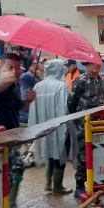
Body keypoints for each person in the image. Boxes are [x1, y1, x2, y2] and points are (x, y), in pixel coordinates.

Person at [0, 53, 37, 208]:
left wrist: (28, 101)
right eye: (9, 67)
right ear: (0, 67)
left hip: (10, 137)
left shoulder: (15, 85)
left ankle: (9, 205)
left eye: (18, 68)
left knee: (17, 168)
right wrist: (12, 76)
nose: (15, 71)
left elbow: (17, 107)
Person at [29, 60, 73, 194]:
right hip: (58, 126)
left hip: (42, 125)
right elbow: (63, 108)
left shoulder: (37, 86)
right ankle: (58, 186)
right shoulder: (61, 86)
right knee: (59, 153)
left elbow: (33, 108)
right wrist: (64, 128)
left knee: (49, 152)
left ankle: (48, 183)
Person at [68, 61, 104, 198]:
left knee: (99, 153)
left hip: (100, 125)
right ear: (86, 65)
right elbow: (71, 102)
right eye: (92, 63)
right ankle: (79, 186)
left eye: (98, 63)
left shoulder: (103, 81)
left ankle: (97, 183)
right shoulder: (81, 80)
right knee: (84, 155)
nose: (96, 65)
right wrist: (79, 120)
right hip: (84, 124)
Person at [19, 60, 42, 126]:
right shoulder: (29, 93)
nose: (41, 64)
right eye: (40, 62)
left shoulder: (20, 91)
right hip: (27, 120)